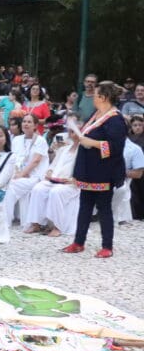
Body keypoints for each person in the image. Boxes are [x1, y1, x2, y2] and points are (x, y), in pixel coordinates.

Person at [64, 81, 128, 258]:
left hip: (103, 171)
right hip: (88, 169)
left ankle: (107, 246)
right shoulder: (97, 114)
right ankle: (78, 242)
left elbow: (115, 147)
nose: (93, 97)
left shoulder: (115, 119)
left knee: (104, 208)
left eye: (96, 94)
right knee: (84, 207)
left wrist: (91, 142)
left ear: (103, 97)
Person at [23, 137, 80, 236]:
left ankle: (57, 227)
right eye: (71, 132)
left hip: (71, 183)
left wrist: (71, 180)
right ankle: (36, 223)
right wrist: (49, 173)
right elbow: (53, 166)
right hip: (55, 179)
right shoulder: (63, 149)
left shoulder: (84, 150)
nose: (72, 134)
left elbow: (85, 172)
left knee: (56, 192)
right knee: (38, 189)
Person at [3, 113, 50, 225]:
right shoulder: (17, 139)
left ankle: (6, 221)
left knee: (11, 186)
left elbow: (36, 161)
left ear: (35, 126)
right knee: (6, 184)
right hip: (19, 174)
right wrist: (15, 173)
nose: (26, 124)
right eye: (24, 121)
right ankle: (5, 219)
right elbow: (13, 159)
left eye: (29, 122)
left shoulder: (40, 140)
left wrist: (22, 174)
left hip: (35, 176)